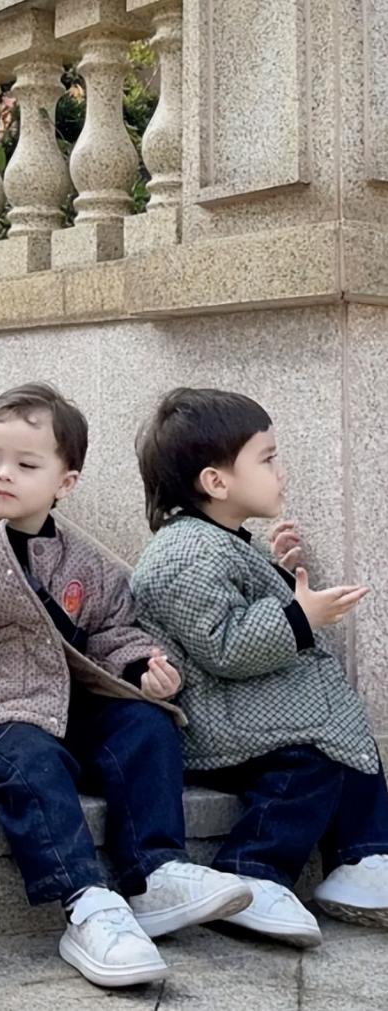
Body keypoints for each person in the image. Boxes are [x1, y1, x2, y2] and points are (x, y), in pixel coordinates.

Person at [0, 383, 251, 989]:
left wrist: (141, 668)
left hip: (62, 703)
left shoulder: (87, 564)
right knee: (32, 759)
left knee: (147, 725)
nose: (4, 474)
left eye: (26, 465)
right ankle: (85, 901)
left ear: (65, 482)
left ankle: (156, 871)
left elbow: (113, 630)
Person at [131, 387, 388, 948]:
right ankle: (252, 868)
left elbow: (234, 604)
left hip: (248, 712)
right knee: (307, 764)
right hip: (217, 722)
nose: (281, 471)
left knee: (353, 750)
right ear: (216, 482)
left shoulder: (217, 543)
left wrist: (279, 570)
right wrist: (300, 616)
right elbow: (223, 643)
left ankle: (365, 856)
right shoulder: (184, 553)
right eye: (267, 458)